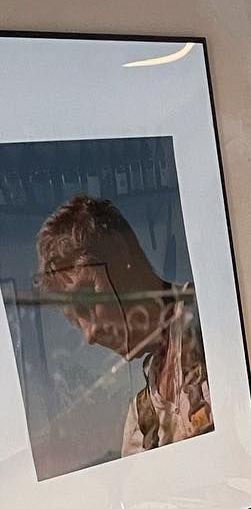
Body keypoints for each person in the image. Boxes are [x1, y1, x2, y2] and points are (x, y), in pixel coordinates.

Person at [34, 194, 212, 457]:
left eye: (87, 299)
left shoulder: (216, 317)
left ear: (119, 252)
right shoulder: (140, 422)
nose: (90, 334)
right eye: (76, 323)